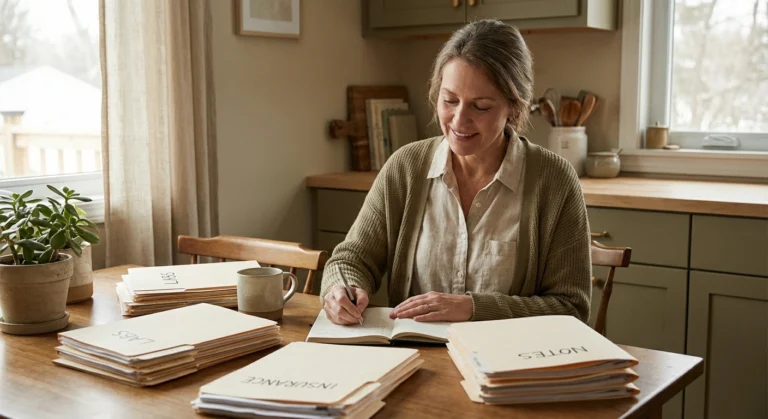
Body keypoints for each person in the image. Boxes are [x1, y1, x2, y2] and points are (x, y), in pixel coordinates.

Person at [320, 19, 591, 325]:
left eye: (481, 107)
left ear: (513, 108)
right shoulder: (405, 167)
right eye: (449, 100)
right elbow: (351, 259)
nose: (459, 121)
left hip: (508, 364)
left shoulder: (554, 181)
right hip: (415, 356)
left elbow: (571, 308)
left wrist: (473, 309)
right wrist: (340, 287)